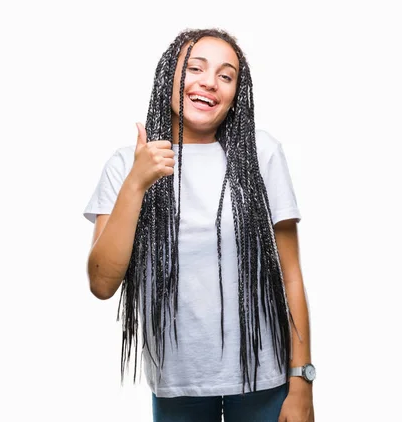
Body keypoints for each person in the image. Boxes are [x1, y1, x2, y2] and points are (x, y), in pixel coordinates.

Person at [83, 28, 315, 422]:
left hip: (264, 377)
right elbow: (102, 284)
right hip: (179, 383)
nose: (210, 82)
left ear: (235, 94)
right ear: (168, 76)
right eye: (195, 68)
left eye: (226, 76)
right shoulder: (127, 164)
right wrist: (136, 184)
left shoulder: (262, 153)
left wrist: (302, 382)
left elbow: (290, 275)